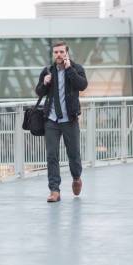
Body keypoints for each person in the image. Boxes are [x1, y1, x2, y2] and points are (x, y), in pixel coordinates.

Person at [35, 40, 88, 202]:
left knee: (73, 153)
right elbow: (39, 91)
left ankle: (76, 177)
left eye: (61, 52)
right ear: (53, 54)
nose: (58, 55)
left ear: (66, 53)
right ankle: (54, 190)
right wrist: (44, 83)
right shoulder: (48, 71)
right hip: (51, 120)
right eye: (56, 52)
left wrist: (69, 69)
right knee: (52, 155)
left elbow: (82, 85)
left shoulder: (76, 68)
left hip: (69, 119)